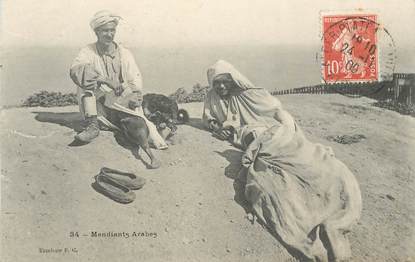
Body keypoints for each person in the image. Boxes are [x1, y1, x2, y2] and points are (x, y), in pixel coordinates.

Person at [203, 60, 362, 260]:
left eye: (225, 82)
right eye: (217, 83)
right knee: (274, 177)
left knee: (307, 160)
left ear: (234, 79)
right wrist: (216, 125)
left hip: (273, 133)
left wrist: (286, 128)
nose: (221, 87)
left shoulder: (252, 94)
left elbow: (278, 112)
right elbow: (208, 117)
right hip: (253, 136)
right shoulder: (212, 97)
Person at [69, 10, 167, 150]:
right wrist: (105, 80)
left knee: (138, 123)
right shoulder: (88, 51)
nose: (109, 34)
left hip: (120, 100)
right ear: (96, 32)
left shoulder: (124, 53)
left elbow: (135, 78)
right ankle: (93, 126)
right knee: (85, 81)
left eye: (112, 30)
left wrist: (135, 94)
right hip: (98, 103)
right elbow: (76, 71)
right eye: (105, 31)